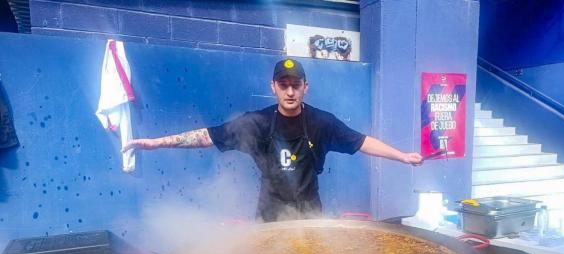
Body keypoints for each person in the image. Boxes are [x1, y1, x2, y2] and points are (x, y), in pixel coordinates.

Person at [123, 58, 423, 222]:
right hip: (269, 219)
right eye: (283, 85)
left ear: (305, 87)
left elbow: (362, 142)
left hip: (310, 217)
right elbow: (207, 136)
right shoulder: (257, 122)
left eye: (295, 85)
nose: (289, 92)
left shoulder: (321, 122)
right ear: (274, 87)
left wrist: (403, 157)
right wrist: (156, 143)